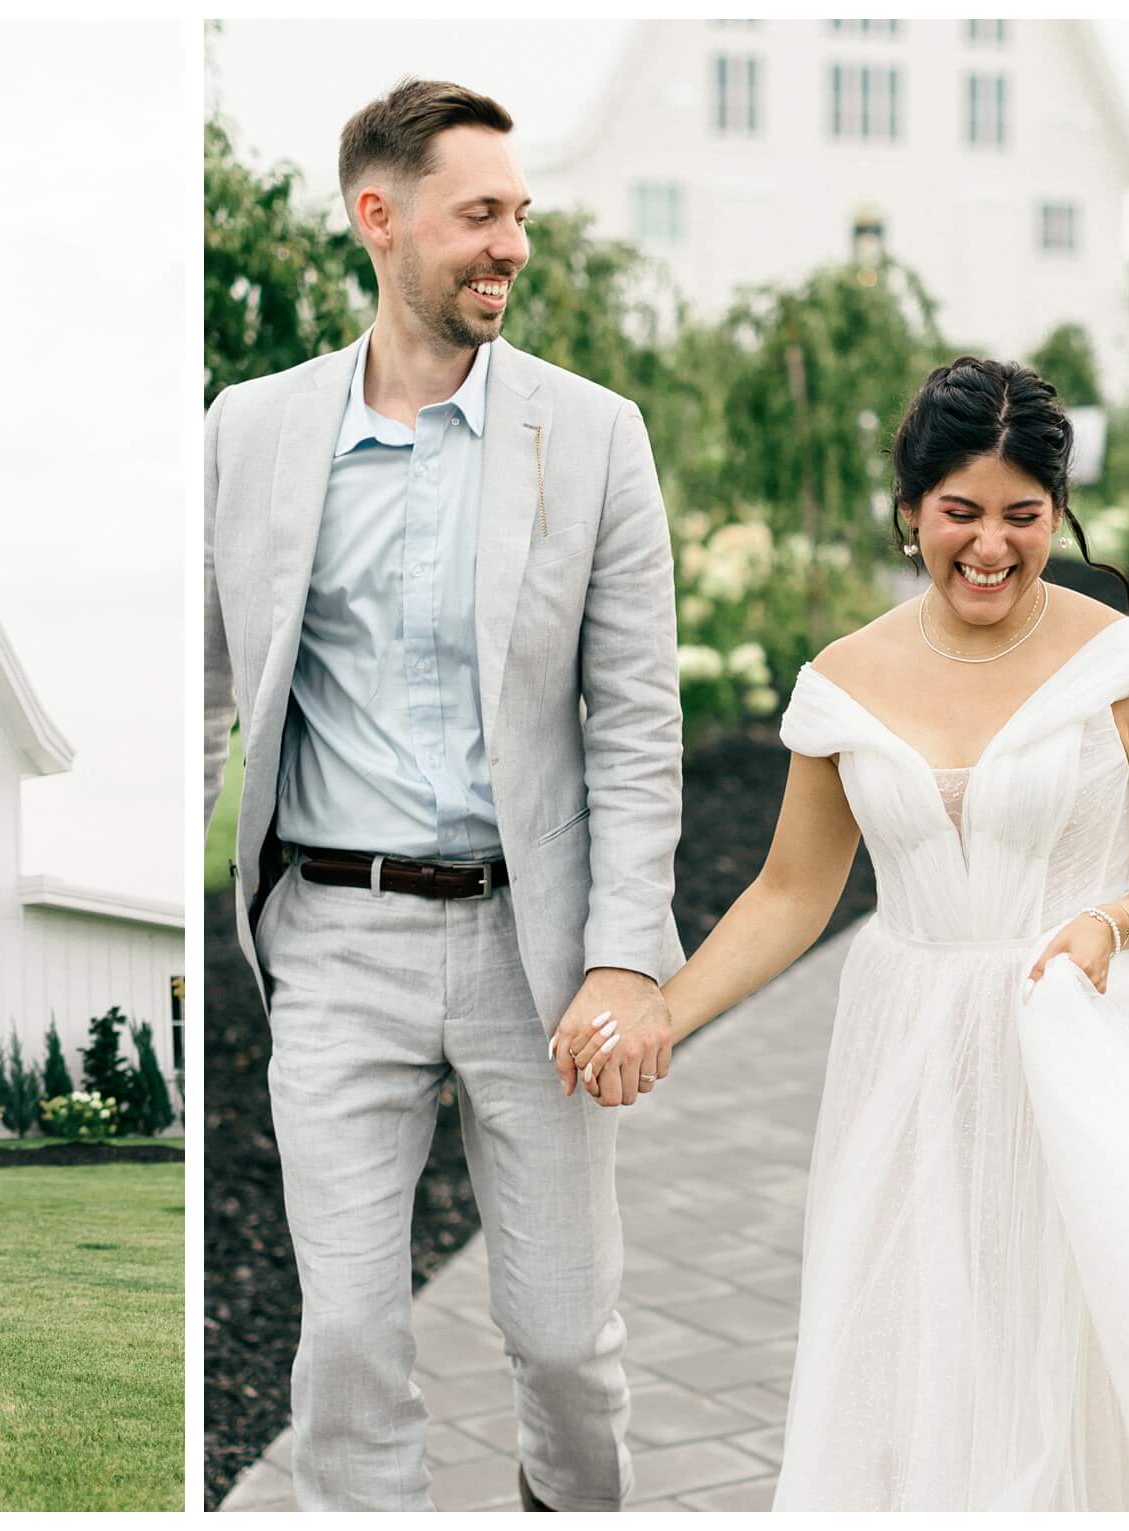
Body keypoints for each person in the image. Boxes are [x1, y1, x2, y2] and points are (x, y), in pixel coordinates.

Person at [557, 358, 1129, 1509]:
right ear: (907, 513)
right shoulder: (845, 679)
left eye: (1021, 515)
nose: (989, 547)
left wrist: (1111, 916)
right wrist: (663, 1007)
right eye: (958, 513)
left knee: (1085, 1349)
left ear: (1055, 511)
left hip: (1085, 1042)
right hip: (907, 1059)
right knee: (922, 1353)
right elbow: (791, 892)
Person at [203, 77, 684, 1511]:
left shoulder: (593, 436)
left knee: (564, 1344)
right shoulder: (250, 431)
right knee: (347, 1339)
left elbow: (639, 722)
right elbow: (206, 690)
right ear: (380, 217)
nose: (511, 245)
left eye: (519, 216)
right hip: (334, 940)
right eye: (480, 215)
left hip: (533, 955)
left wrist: (623, 956)